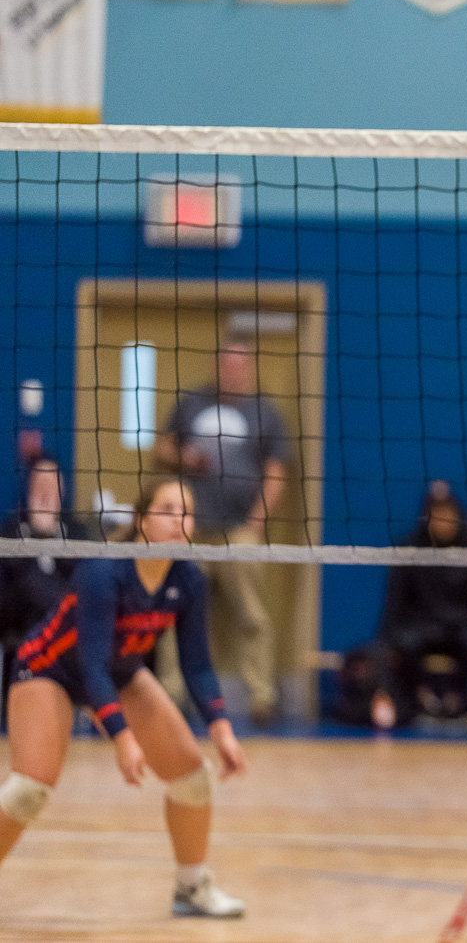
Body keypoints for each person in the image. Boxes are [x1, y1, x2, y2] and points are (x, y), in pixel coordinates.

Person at [0, 477, 248, 916]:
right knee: (28, 790)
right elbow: (90, 663)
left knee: (193, 779)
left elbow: (198, 666)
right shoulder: (104, 571)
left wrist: (222, 729)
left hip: (119, 672)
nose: (180, 521)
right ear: (141, 520)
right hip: (49, 668)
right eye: (168, 510)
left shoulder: (189, 579)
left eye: (187, 513)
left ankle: (191, 887)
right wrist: (122, 736)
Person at [155, 337, 292, 726]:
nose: (231, 369)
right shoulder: (192, 403)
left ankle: (261, 697)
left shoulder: (265, 412)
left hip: (239, 532)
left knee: (251, 615)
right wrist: (183, 457)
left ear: (248, 367)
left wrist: (256, 521)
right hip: (191, 533)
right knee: (175, 611)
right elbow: (162, 450)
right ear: (217, 365)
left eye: (238, 363)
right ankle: (170, 694)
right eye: (225, 362)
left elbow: (276, 471)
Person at [373, 481, 467, 724]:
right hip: (423, 627)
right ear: (427, 518)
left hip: (460, 628)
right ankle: (424, 701)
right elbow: (395, 601)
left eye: (448, 513)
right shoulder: (409, 550)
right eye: (437, 514)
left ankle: (456, 703)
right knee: (404, 643)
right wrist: (386, 643)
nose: (443, 520)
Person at [0, 458, 89, 700]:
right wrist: (38, 537)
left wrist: (49, 537)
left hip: (68, 623)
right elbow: (13, 585)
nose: (45, 491)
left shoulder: (77, 531)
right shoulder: (10, 530)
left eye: (52, 483)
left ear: (63, 489)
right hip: (20, 621)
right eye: (40, 483)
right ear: (29, 487)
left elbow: (82, 580)